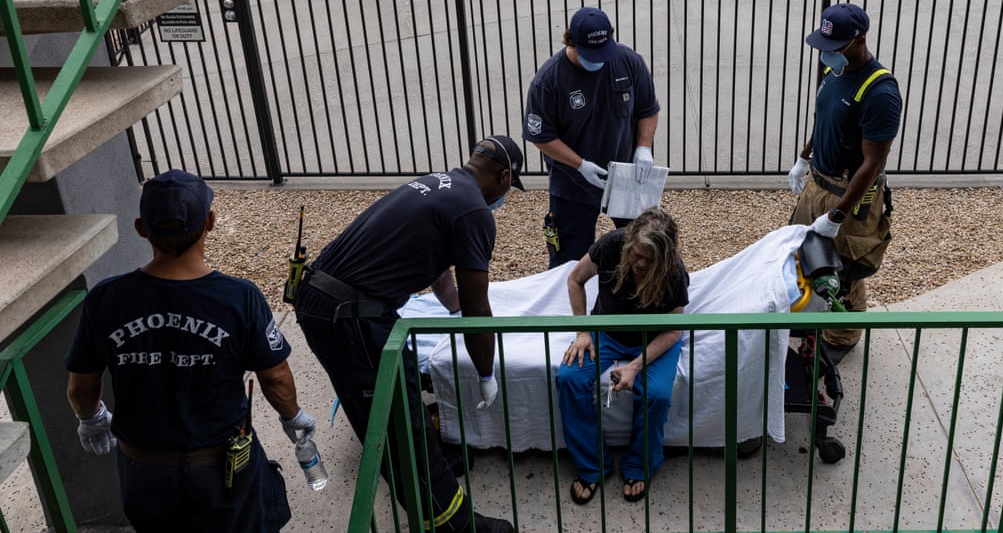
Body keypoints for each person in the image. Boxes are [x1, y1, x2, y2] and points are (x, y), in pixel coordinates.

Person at [292, 137, 524, 533]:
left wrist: (452, 306)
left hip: (329, 299)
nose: (504, 197)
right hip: (348, 314)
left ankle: (433, 465)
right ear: (503, 176)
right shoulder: (474, 211)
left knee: (404, 397)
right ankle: (452, 524)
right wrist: (486, 371)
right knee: (398, 423)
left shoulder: (440, 183)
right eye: (509, 187)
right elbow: (477, 308)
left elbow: (441, 271)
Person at [65, 169, 314, 533]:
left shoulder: (107, 298)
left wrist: (90, 419)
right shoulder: (239, 298)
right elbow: (274, 377)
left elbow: (81, 387)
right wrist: (293, 417)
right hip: (220, 471)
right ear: (210, 222)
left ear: (141, 228)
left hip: (143, 471)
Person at [788, 3, 903, 355]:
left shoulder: (880, 92)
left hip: (848, 194)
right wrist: (804, 158)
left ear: (859, 40)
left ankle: (841, 336)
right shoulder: (834, 72)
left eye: (835, 47)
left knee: (843, 269)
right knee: (804, 253)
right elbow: (824, 120)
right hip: (818, 181)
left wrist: (837, 216)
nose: (827, 54)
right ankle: (808, 314)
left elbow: (873, 163)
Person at [556, 207, 689, 505]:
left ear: (664, 258)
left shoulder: (675, 272)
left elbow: (673, 330)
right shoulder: (611, 245)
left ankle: (639, 466)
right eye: (636, 255)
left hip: (654, 338)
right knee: (569, 378)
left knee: (656, 395)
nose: (640, 263)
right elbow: (575, 279)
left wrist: (635, 366)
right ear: (629, 242)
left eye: (649, 260)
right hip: (607, 331)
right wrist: (582, 331)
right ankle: (592, 466)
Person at [524, 6, 661, 268]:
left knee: (643, 251)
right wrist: (580, 165)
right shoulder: (549, 81)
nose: (598, 61)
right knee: (568, 260)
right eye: (591, 54)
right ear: (571, 42)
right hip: (572, 183)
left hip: (625, 177)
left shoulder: (628, 61)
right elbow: (541, 136)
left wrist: (643, 148)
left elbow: (648, 110)